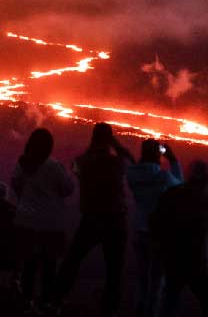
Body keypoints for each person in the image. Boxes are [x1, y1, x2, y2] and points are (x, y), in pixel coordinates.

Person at [53, 122, 134, 316]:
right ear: (109, 139)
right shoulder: (116, 162)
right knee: (114, 269)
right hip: (115, 219)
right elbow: (130, 160)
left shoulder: (82, 161)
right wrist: (117, 144)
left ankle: (56, 298)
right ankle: (109, 309)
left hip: (91, 217)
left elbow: (76, 167)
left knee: (73, 259)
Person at [10, 128, 75, 314]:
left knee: (29, 264)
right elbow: (68, 189)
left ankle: (27, 301)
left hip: (25, 223)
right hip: (49, 225)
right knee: (49, 266)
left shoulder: (23, 163)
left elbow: (15, 184)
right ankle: (46, 302)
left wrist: (25, 200)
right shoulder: (53, 166)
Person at [150, 160, 208, 317]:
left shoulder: (172, 193)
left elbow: (155, 221)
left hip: (174, 257)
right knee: (206, 301)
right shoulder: (207, 197)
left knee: (169, 301)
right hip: (197, 259)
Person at [126, 140, 183, 317]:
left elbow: (137, 168)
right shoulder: (163, 177)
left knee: (142, 280)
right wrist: (173, 159)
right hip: (158, 235)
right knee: (157, 281)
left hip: (139, 231)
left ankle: (140, 311)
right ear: (158, 154)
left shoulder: (132, 174)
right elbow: (180, 186)